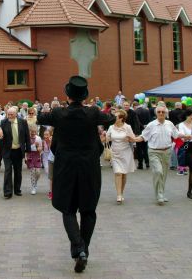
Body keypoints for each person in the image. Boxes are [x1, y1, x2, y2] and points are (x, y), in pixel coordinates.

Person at [38, 76, 114, 273]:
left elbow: (40, 117)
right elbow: (111, 117)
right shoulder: (92, 113)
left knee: (68, 208)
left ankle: (78, 248)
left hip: (66, 167)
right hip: (89, 167)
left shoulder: (58, 113)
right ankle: (84, 250)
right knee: (88, 210)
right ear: (84, 96)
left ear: (68, 95)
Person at [141, 104, 179, 205]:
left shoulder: (170, 124)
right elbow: (143, 136)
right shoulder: (151, 125)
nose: (161, 113)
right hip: (154, 152)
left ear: (166, 113)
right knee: (158, 172)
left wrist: (186, 136)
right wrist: (133, 138)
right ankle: (159, 194)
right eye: (159, 112)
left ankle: (160, 192)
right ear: (156, 113)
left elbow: (176, 135)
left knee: (164, 174)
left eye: (163, 112)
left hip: (167, 151)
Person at [102, 109, 141, 204]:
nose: (114, 118)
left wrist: (130, 138)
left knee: (123, 174)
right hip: (115, 153)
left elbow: (133, 140)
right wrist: (104, 136)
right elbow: (106, 139)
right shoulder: (111, 127)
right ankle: (119, 195)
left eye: (116, 116)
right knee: (118, 173)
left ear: (121, 118)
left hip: (126, 153)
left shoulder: (127, 127)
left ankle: (121, 192)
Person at [0, 106, 31, 198]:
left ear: (16, 114)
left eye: (11, 114)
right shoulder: (4, 122)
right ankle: (7, 192)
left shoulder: (23, 122)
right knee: (8, 170)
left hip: (18, 151)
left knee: (18, 171)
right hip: (7, 151)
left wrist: (27, 152)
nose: (9, 116)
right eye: (8, 114)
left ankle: (17, 190)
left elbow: (27, 137)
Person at [25, 124, 43, 195]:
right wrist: (25, 157)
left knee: (38, 172)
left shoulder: (38, 138)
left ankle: (35, 183)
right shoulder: (27, 138)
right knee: (32, 172)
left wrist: (38, 147)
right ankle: (33, 187)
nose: (33, 133)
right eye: (31, 131)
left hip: (37, 156)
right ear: (29, 131)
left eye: (34, 131)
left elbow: (40, 149)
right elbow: (26, 149)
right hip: (30, 156)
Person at [134, 102, 152, 169]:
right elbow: (150, 120)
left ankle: (140, 164)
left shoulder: (135, 112)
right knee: (145, 148)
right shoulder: (147, 111)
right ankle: (147, 163)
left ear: (135, 106)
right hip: (146, 131)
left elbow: (136, 122)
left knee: (139, 149)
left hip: (139, 132)